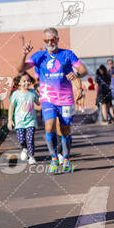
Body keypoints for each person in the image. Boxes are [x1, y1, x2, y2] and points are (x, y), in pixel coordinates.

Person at [18, 27, 87, 174]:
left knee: (65, 129)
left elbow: (83, 71)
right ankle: (54, 158)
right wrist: (23, 54)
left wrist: (75, 75)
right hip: (48, 98)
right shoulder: (39, 56)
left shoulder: (67, 54)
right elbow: (20, 68)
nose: (50, 42)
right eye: (47, 40)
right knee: (49, 126)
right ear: (44, 41)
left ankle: (66, 158)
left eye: (53, 39)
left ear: (57, 39)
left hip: (67, 99)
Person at [8, 73, 39, 165]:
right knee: (21, 140)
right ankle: (24, 148)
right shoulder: (16, 94)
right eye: (24, 81)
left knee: (30, 139)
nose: (27, 83)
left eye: (28, 81)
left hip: (31, 120)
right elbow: (11, 107)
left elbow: (38, 103)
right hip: (19, 121)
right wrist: (10, 120)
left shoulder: (32, 92)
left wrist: (41, 93)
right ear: (19, 83)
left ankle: (32, 156)